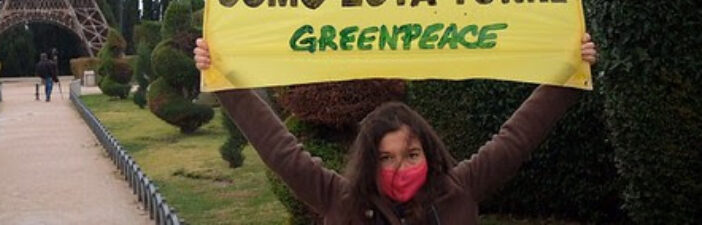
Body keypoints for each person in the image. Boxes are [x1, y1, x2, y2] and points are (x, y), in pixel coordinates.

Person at [194, 34, 597, 225]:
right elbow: (277, 146)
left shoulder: (460, 189)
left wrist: (567, 75)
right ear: (369, 161)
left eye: (411, 155)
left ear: (429, 153)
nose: (399, 168)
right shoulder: (339, 198)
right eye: (385, 158)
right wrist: (225, 81)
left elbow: (518, 137)